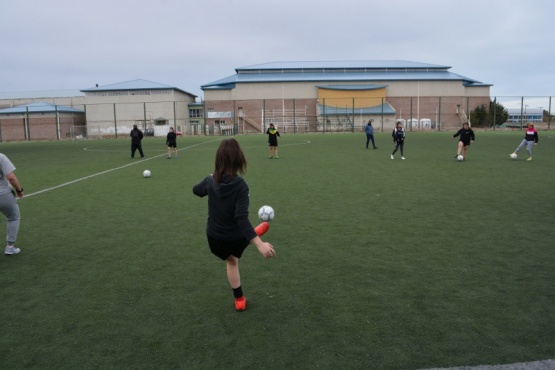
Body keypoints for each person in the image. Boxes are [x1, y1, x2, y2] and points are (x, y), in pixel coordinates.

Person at [192, 138, 276, 312]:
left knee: (231, 261)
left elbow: (196, 190)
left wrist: (210, 180)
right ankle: (255, 235)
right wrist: (260, 244)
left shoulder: (209, 181)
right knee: (236, 248)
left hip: (214, 239)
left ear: (218, 159)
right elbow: (241, 218)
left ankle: (239, 298)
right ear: (239, 159)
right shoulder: (241, 186)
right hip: (235, 238)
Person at [0, 153, 24, 255]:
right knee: (13, 217)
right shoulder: (1, 157)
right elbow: (11, 177)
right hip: (3, 194)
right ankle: (10, 247)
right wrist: (19, 190)